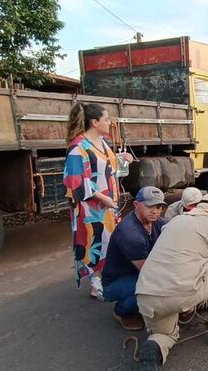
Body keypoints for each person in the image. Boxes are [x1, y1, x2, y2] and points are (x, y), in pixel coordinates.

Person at [134, 193, 208, 371]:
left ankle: (154, 346)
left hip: (145, 294)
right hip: (181, 291)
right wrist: (194, 300)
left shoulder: (174, 222)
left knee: (165, 333)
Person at [63, 102, 131, 298]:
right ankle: (96, 282)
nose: (110, 123)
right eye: (107, 119)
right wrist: (104, 198)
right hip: (91, 210)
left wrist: (121, 160)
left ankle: (105, 278)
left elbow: (105, 169)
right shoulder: (78, 147)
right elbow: (76, 182)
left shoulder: (101, 143)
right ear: (95, 122)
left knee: (109, 242)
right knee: (95, 243)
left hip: (108, 206)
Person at [100, 186, 167, 331]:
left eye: (159, 206)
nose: (155, 211)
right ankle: (121, 311)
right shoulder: (129, 233)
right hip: (116, 282)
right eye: (150, 206)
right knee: (154, 290)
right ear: (136, 205)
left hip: (137, 273)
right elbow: (149, 273)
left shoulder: (158, 222)